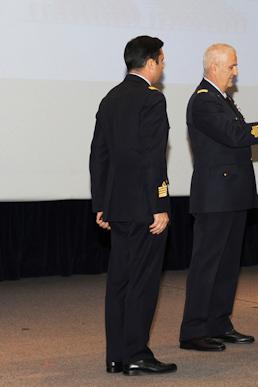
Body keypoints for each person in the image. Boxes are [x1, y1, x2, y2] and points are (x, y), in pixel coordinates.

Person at [179, 43, 258, 352]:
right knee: (207, 263)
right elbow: (235, 135)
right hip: (215, 196)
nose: (236, 71)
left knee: (228, 264)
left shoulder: (221, 99)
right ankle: (193, 330)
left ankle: (218, 322)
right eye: (232, 65)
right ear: (214, 67)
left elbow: (238, 134)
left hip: (232, 193)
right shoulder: (203, 101)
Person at [89, 36, 177, 375]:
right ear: (151, 62)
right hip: (144, 207)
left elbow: (98, 155)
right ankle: (137, 353)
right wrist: (160, 203)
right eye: (163, 61)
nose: (163, 67)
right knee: (143, 281)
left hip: (118, 207)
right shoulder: (152, 100)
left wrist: (101, 203)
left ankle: (116, 355)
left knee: (120, 281)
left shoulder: (110, 98)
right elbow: (153, 156)